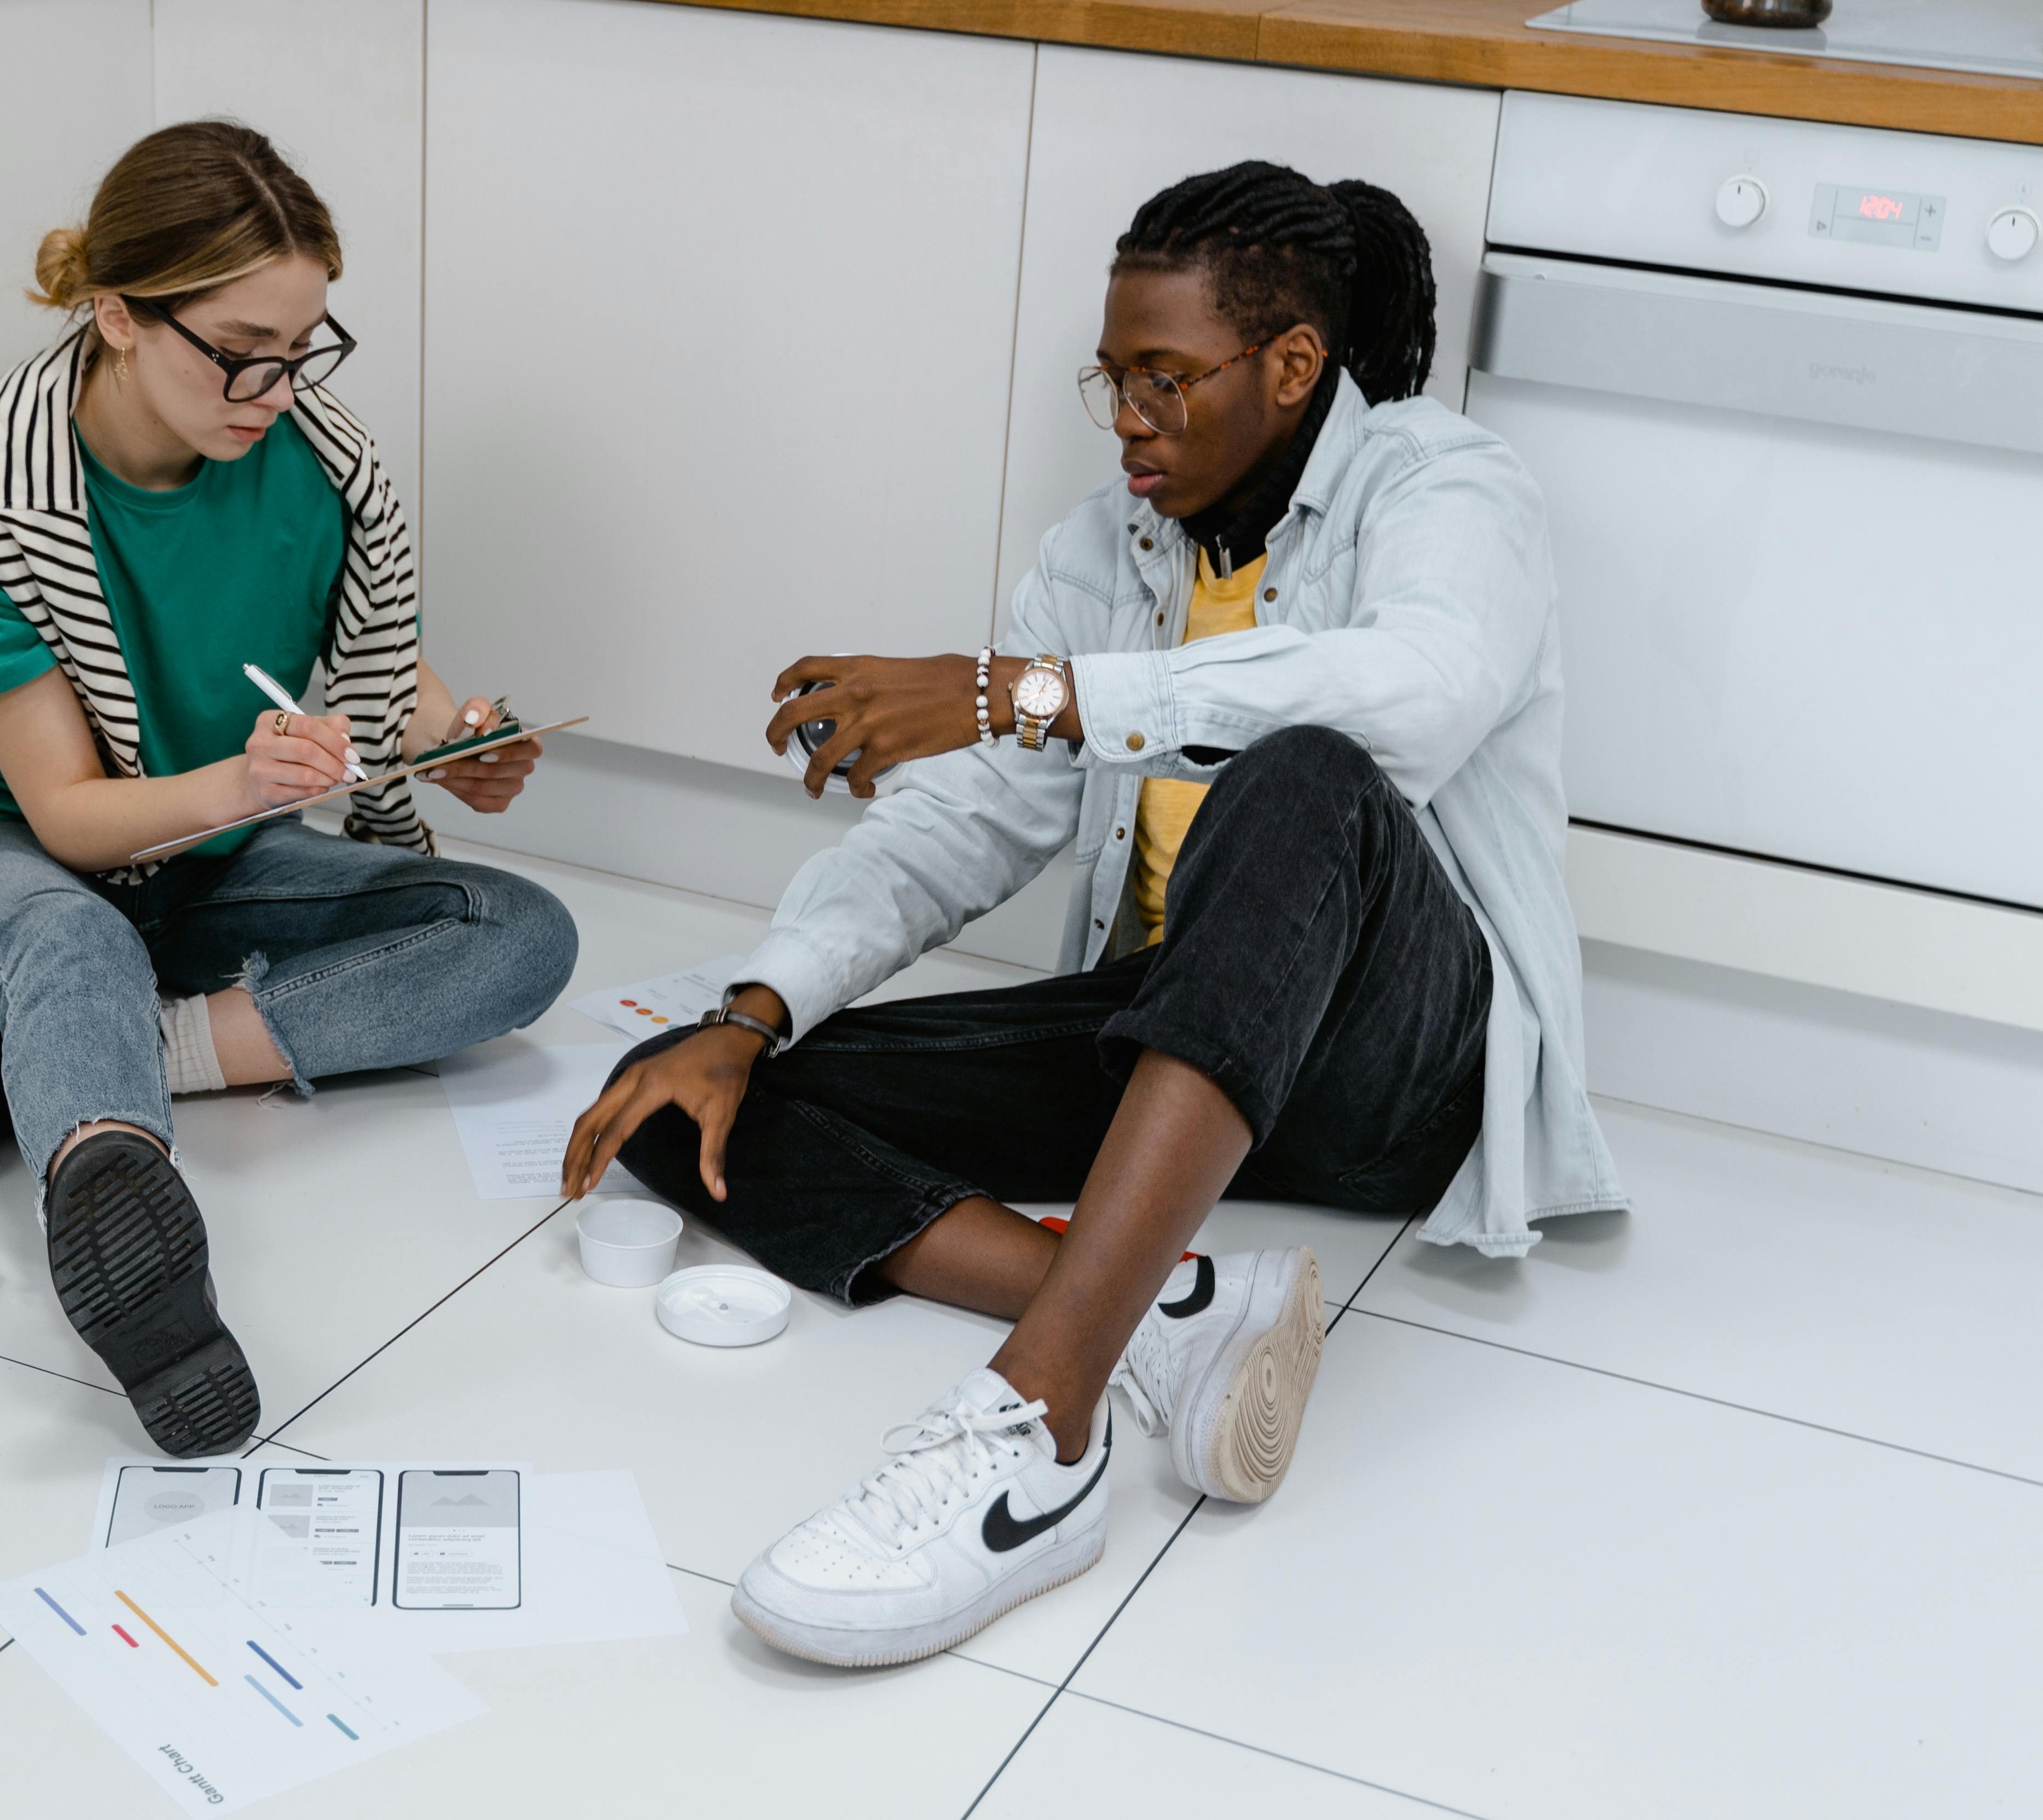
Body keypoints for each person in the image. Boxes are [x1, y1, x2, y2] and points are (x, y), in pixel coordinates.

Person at [564, 162, 1625, 1667]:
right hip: (1182, 1057)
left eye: (1165, 378)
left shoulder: (1443, 486)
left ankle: (1042, 1426)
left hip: (1396, 1074)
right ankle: (1177, 1307)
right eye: (1110, 379)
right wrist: (750, 1014)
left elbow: (1423, 693)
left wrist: (1032, 693)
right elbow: (959, 824)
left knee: (1305, 775)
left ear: (1291, 365)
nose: (1128, 417)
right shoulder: (1099, 555)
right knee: (679, 1102)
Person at [0, 121, 575, 1458]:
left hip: (217, 844)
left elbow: (386, 672)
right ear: (118, 315)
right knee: (73, 934)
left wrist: (464, 737)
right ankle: (122, 1202)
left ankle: (70, 1054)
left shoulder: (315, 459)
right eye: (241, 349)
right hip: (6, 849)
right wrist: (236, 783)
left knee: (521, 936)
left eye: (302, 347)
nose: (274, 386)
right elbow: (67, 817)